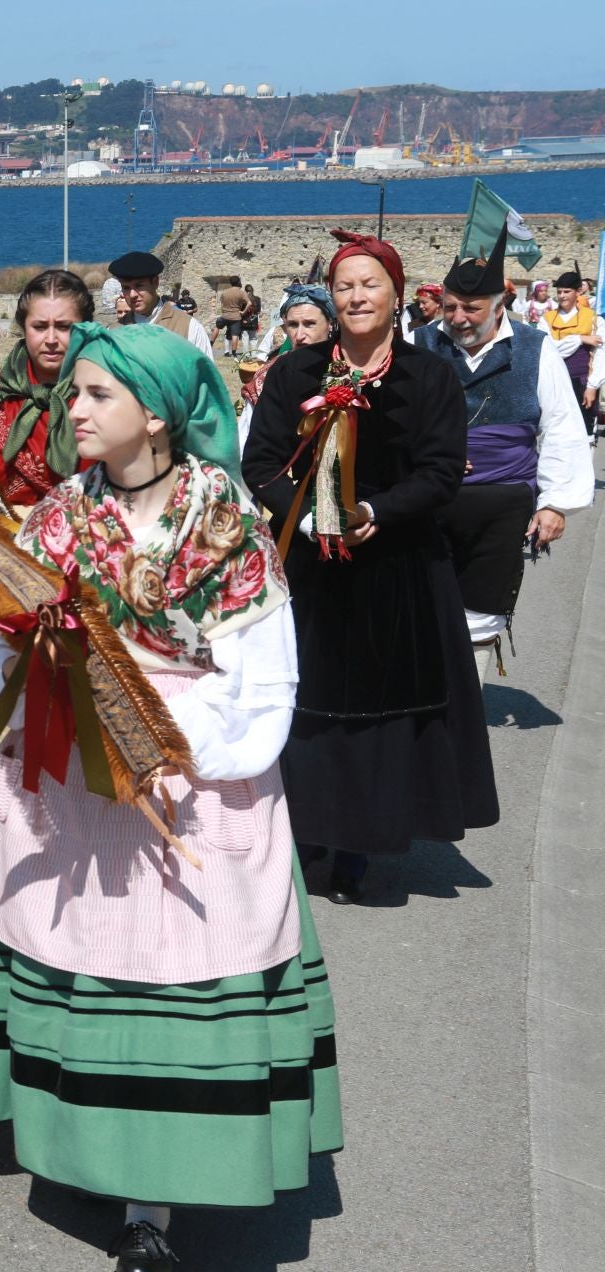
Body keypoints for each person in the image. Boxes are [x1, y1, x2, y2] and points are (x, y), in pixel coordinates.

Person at [0, 321, 336, 1272]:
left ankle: (152, 1209)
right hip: (68, 758)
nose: (75, 409)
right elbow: (2, 638)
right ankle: (70, 1128)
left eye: (97, 394)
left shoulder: (223, 516)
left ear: (159, 413)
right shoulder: (61, 510)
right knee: (67, 953)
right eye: (75, 394)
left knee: (163, 969)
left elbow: (261, 670)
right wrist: (11, 674)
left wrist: (180, 749)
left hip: (184, 764)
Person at [244, 229, 498, 906]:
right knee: (306, 704)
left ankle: (360, 844)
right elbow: (260, 463)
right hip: (308, 570)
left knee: (378, 712)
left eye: (369, 285)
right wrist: (303, 519)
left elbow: (442, 473)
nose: (356, 297)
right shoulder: (295, 372)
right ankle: (302, 834)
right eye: (344, 286)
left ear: (396, 295)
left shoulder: (431, 377)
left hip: (398, 568)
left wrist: (375, 512)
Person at [415, 238, 592, 678]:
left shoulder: (534, 346)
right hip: (427, 499)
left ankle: (466, 709)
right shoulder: (418, 342)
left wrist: (554, 503)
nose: (457, 318)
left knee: (481, 609)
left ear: (498, 307)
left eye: (470, 309)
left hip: (503, 504)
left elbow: (560, 424)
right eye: (451, 306)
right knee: (419, 601)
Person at [0, 268, 93, 511]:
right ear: (24, 327)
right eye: (40, 327)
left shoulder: (110, 398)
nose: (51, 339)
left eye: (64, 327)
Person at [237, 282, 336, 453]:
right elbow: (246, 445)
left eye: (309, 324)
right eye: (293, 325)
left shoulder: (348, 370)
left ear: (330, 324)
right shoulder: (267, 378)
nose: (299, 335)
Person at [110, 251, 214, 358]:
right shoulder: (113, 333)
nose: (132, 295)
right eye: (126, 288)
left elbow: (207, 373)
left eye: (139, 286)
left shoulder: (189, 327)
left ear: (155, 282)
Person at [541, 269, 602, 438]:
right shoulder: (547, 319)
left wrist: (592, 386)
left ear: (578, 292)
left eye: (567, 291)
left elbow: (600, 355)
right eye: (559, 291)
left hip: (583, 383)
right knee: (555, 432)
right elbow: (549, 350)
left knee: (584, 434)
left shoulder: (593, 319)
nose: (562, 296)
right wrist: (580, 339)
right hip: (555, 382)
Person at [216, 275, 247, 357]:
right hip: (236, 317)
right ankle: (233, 352)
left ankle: (226, 351)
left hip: (226, 315)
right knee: (234, 335)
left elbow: (222, 303)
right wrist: (243, 312)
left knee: (227, 334)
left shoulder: (225, 292)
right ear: (238, 282)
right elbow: (248, 303)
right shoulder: (241, 293)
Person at [241, 281, 263, 355]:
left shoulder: (243, 300)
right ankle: (253, 355)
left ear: (245, 291)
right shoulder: (257, 299)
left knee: (245, 339)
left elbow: (241, 311)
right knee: (253, 339)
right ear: (252, 290)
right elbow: (259, 311)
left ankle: (246, 355)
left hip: (244, 321)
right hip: (254, 322)